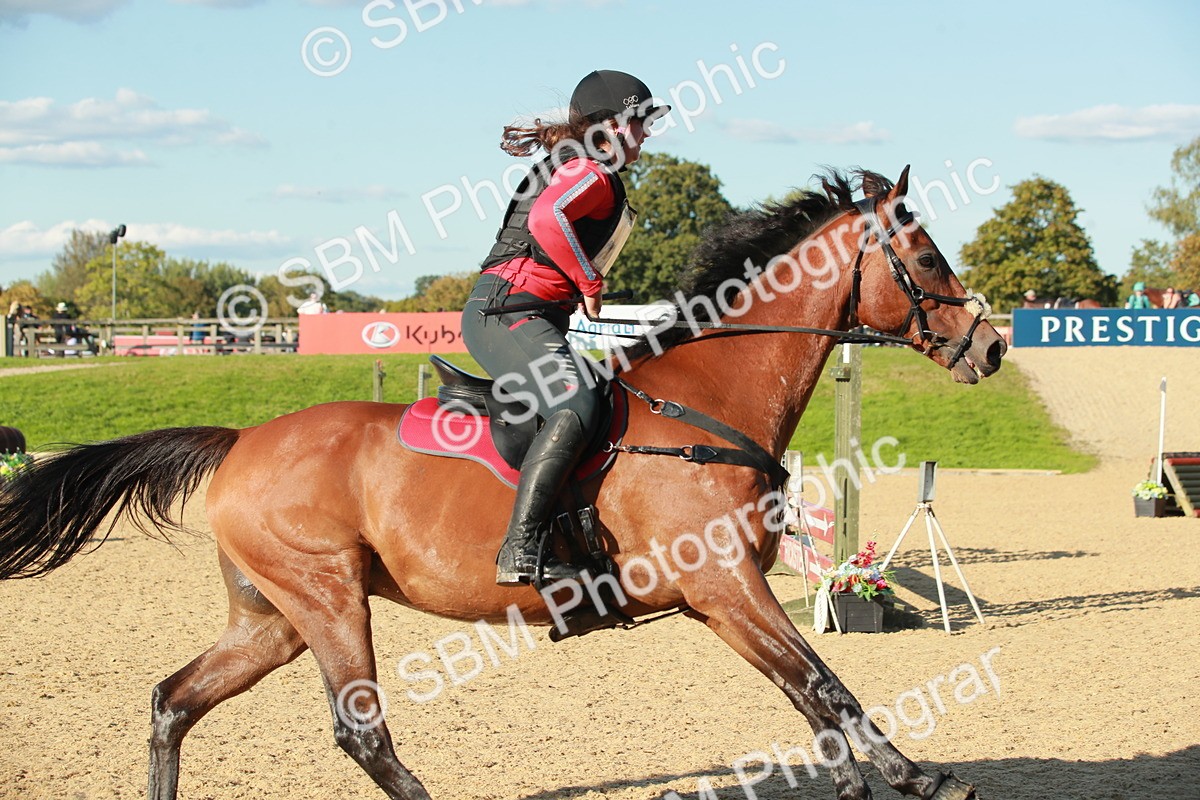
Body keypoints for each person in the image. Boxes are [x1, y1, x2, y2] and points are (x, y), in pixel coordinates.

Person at [461, 69, 669, 586]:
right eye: (639, 123)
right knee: (575, 400)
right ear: (610, 125)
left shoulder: (583, 165)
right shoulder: (591, 172)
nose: (645, 135)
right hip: (505, 315)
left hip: (526, 314)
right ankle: (520, 548)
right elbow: (547, 221)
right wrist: (589, 280)